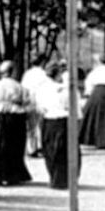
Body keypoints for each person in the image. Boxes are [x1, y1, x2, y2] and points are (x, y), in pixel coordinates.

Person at [0, 60, 33, 186]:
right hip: (15, 117)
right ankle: (12, 175)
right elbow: (27, 103)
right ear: (12, 72)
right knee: (14, 146)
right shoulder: (19, 87)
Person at [35, 61, 75, 189]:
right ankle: (63, 178)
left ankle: (53, 176)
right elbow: (70, 106)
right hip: (62, 119)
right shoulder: (63, 89)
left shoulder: (41, 88)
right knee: (62, 151)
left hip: (48, 120)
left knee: (50, 150)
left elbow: (39, 106)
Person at [21, 62, 51, 158]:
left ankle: (31, 148)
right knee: (40, 125)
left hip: (30, 100)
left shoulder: (27, 74)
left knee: (31, 127)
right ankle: (41, 146)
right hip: (40, 100)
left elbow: (24, 87)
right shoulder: (43, 74)